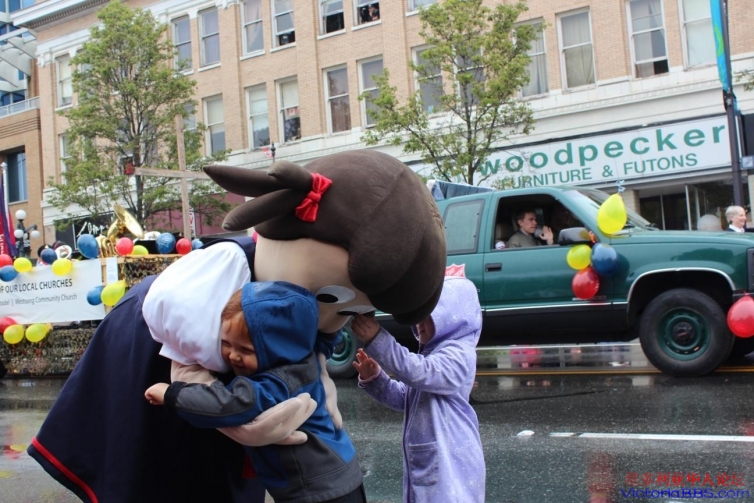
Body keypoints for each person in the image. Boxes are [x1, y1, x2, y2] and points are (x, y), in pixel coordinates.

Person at [27, 149, 446, 503]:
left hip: (223, 393)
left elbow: (317, 335)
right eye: (330, 300)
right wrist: (224, 410)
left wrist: (316, 372)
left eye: (351, 311)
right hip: (152, 362)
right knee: (162, 472)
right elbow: (189, 367)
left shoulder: (286, 301)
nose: (330, 320)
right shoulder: (212, 283)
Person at [146, 281, 366, 503]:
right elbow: (326, 338)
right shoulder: (298, 356)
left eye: (245, 349)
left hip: (319, 489)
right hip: (332, 477)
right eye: (226, 343)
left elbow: (232, 403)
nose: (233, 356)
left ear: (277, 346)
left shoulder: (279, 381)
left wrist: (172, 394)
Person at [350, 276, 486, 503]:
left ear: (450, 317)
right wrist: (375, 379)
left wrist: (378, 339)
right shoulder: (433, 354)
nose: (420, 323)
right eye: (419, 316)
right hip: (432, 464)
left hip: (450, 463)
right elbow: (403, 397)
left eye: (429, 316)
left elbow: (420, 371)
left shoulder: (460, 354)